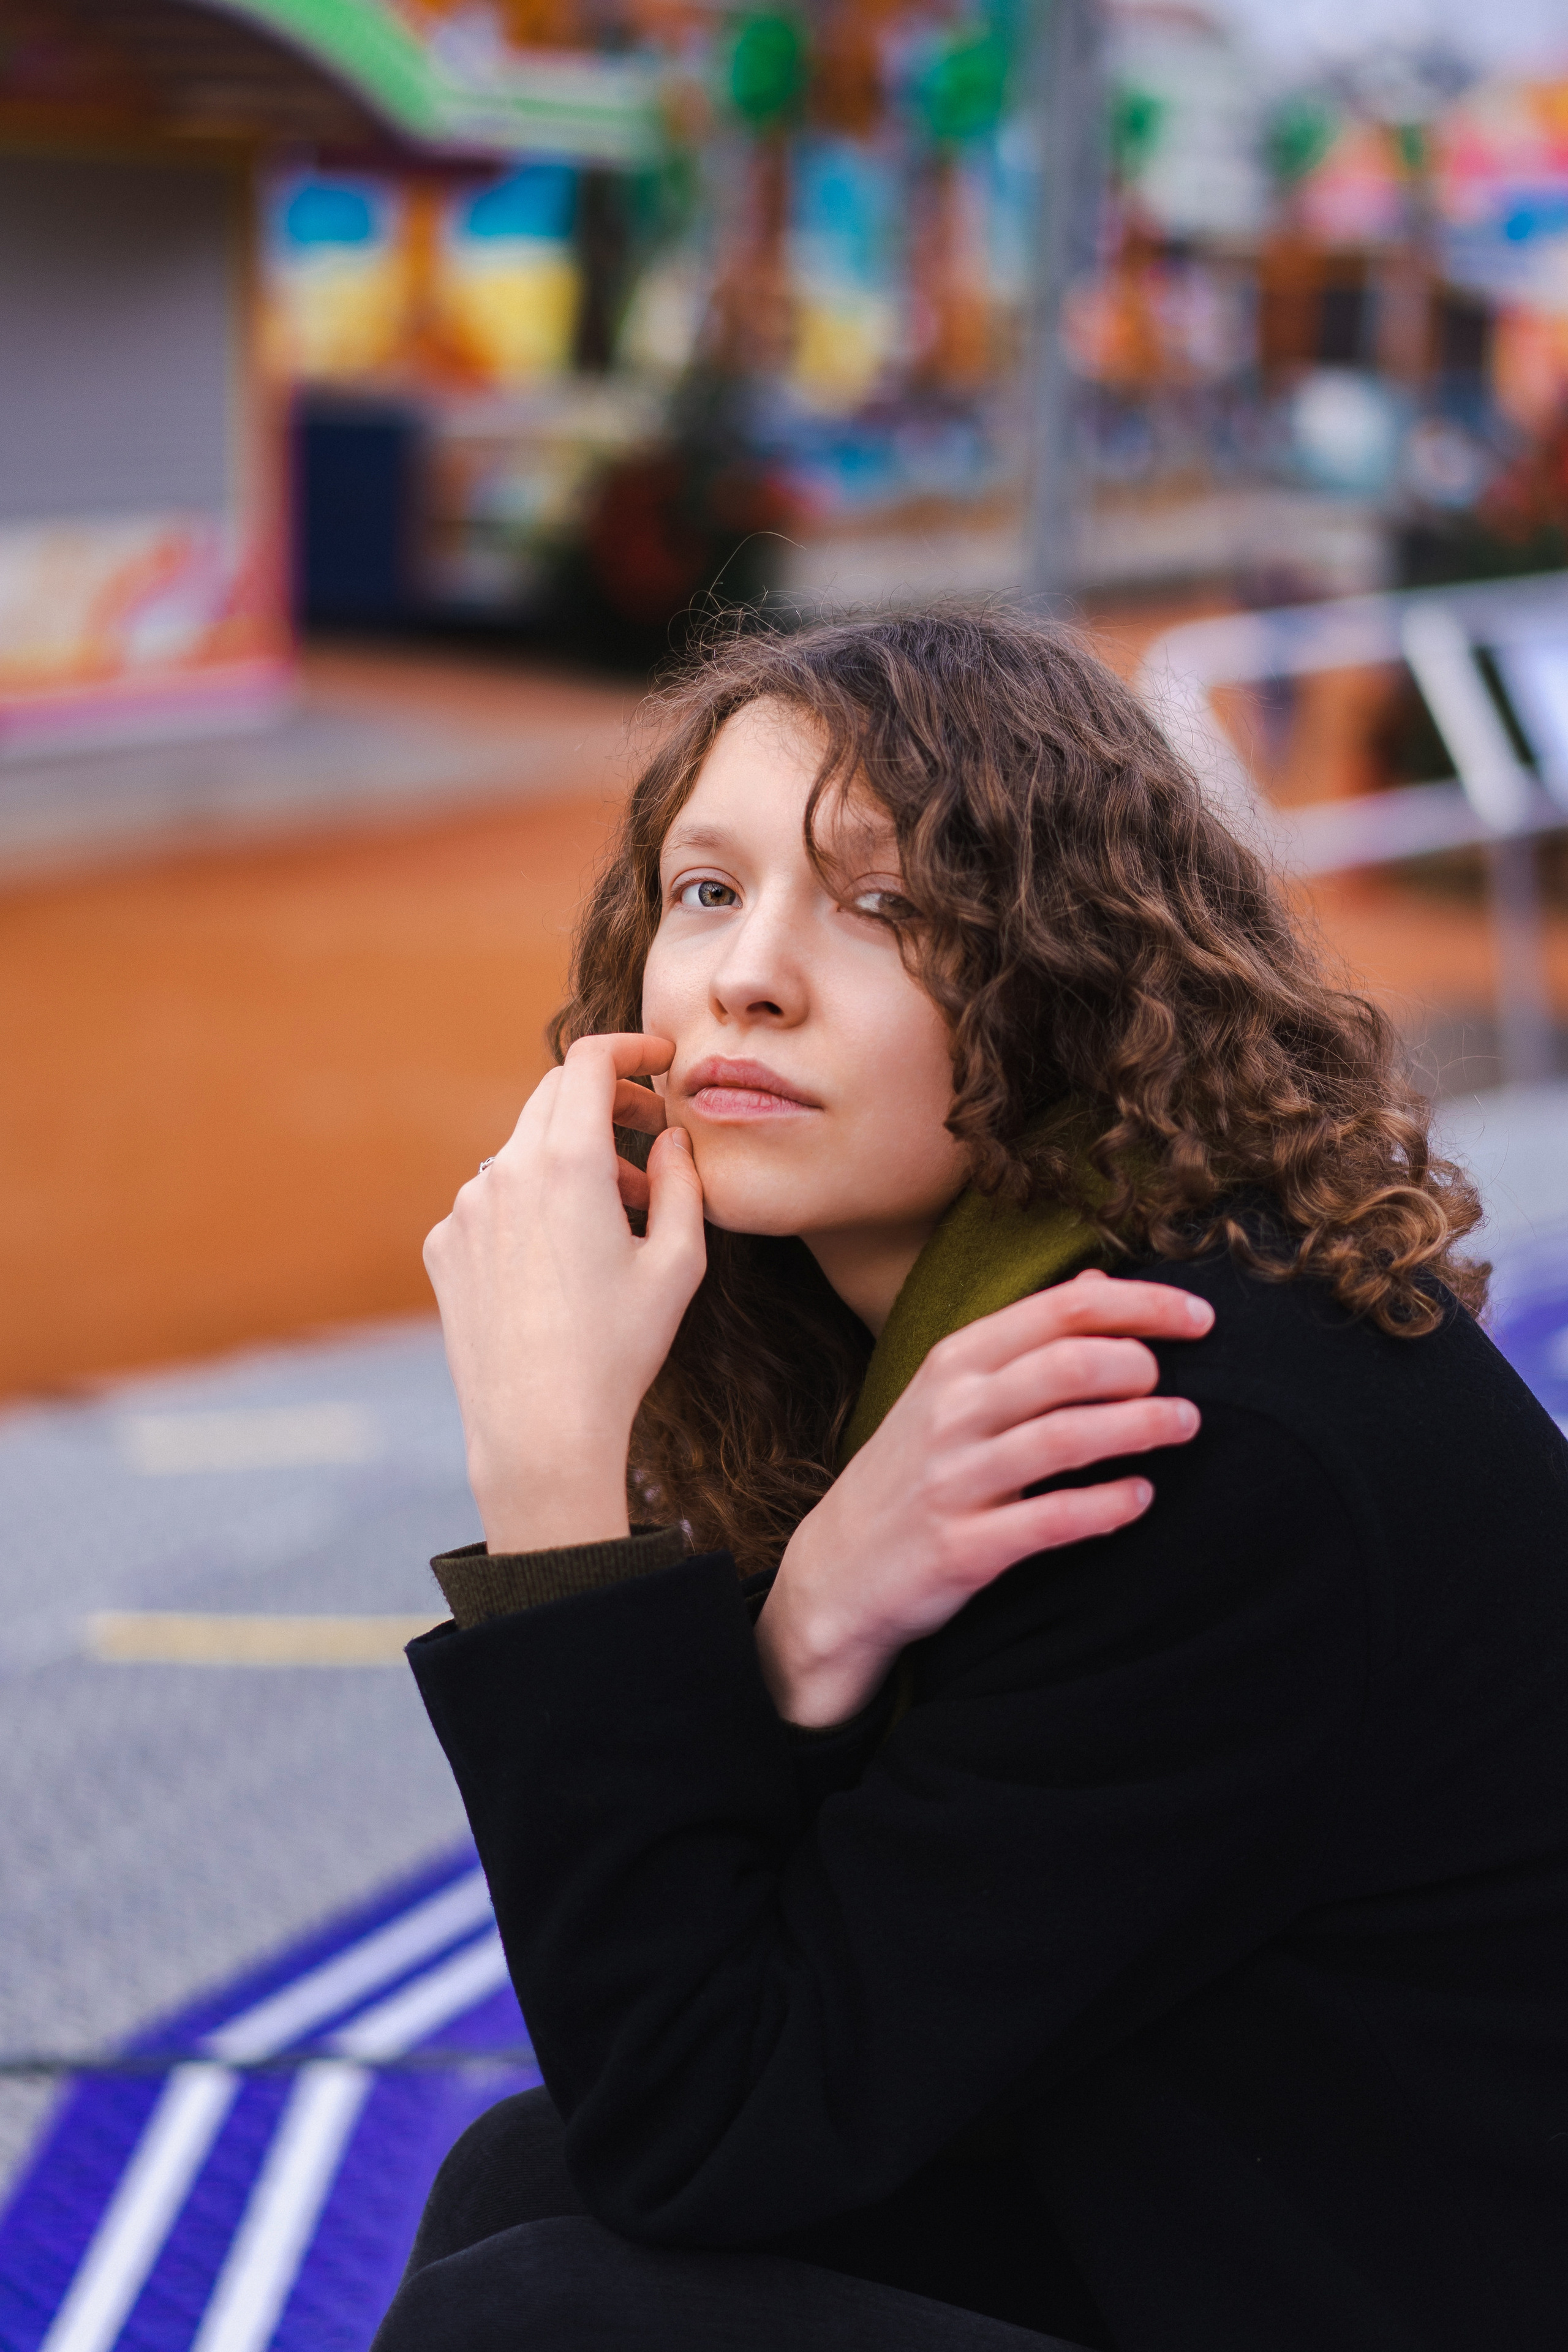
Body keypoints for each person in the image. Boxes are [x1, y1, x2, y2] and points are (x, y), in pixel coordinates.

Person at [376, 612, 1568, 2352]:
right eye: (707, 892)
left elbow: (705, 2122)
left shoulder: (1168, 1423)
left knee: (551, 2313)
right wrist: (793, 1636)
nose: (748, 975)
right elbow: (787, 2036)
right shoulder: (999, 1323)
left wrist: (553, 1486)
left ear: (1069, 971)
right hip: (1209, 2205)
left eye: (886, 905)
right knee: (523, 2179)